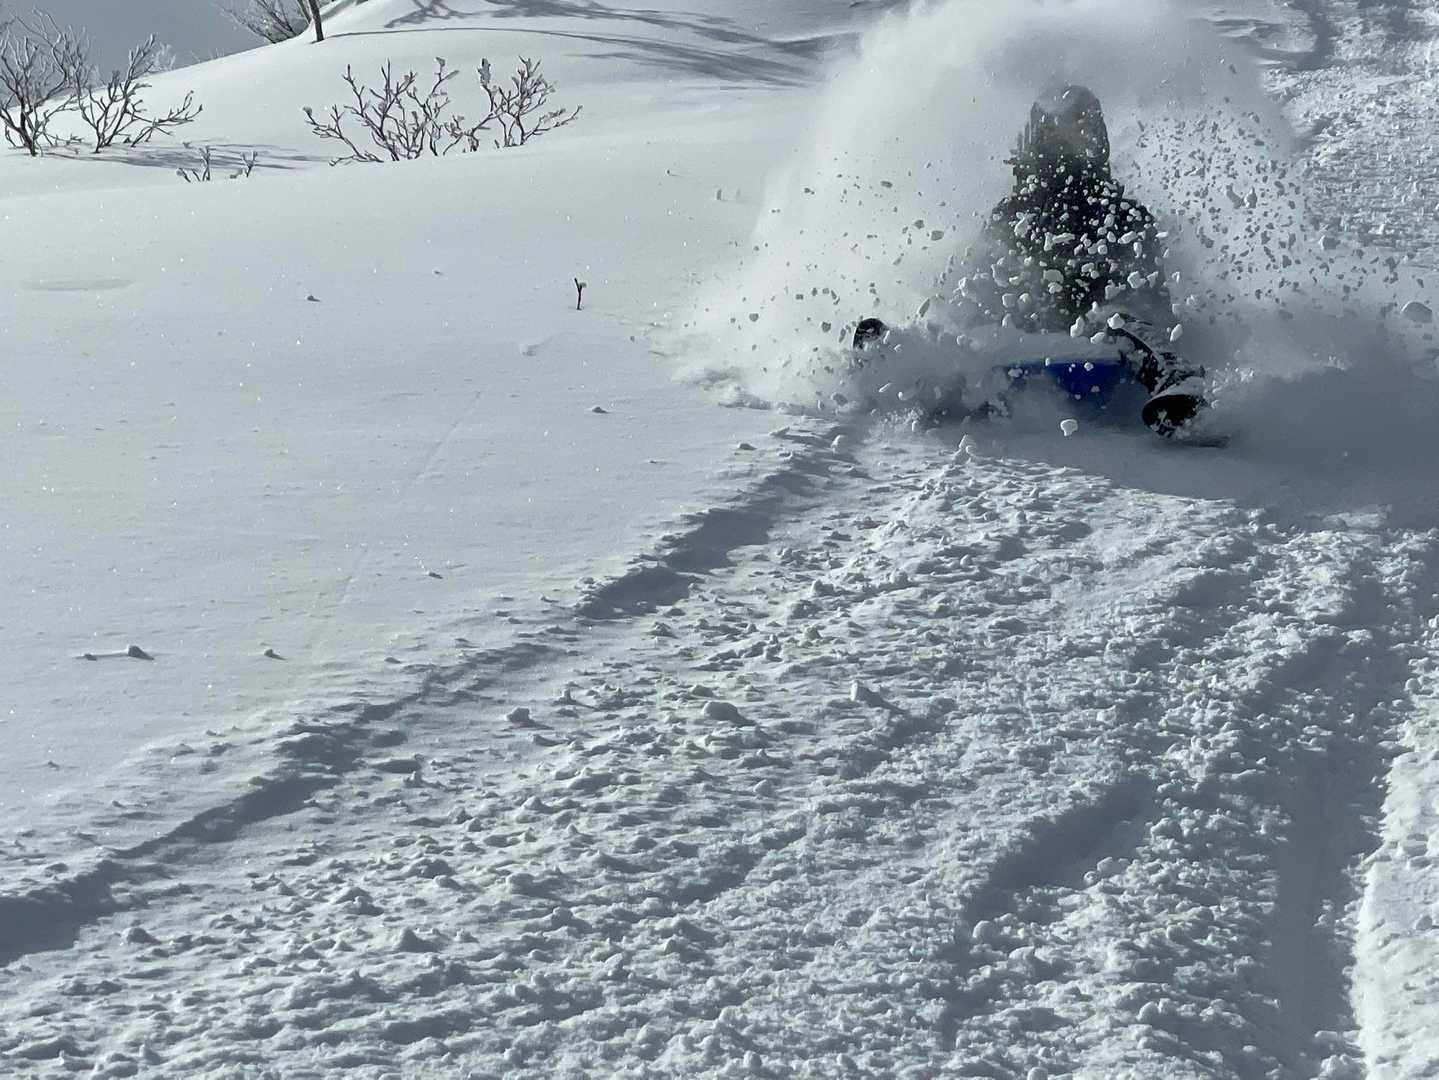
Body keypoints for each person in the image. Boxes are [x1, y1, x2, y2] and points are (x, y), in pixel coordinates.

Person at [856, 85, 1203, 421]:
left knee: (1120, 320)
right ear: (1041, 135)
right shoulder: (1016, 209)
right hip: (1027, 316)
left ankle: (1176, 384)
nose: (1072, 141)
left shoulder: (1121, 211)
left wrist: (1148, 309)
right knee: (978, 312)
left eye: (1082, 128)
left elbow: (1151, 291)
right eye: (1060, 129)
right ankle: (909, 365)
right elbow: (979, 273)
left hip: (1098, 326)